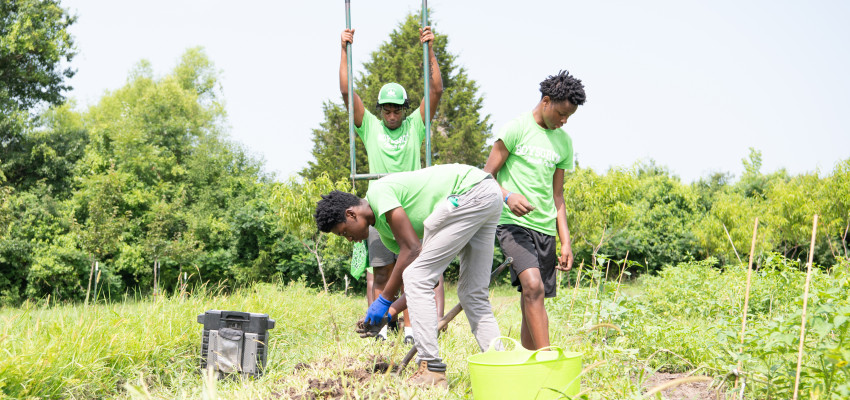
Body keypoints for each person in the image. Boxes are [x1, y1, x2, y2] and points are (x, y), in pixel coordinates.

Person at [315, 164, 503, 388]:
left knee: (417, 275)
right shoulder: (386, 234)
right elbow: (427, 280)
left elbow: (413, 250)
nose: (349, 239)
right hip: (486, 194)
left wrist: (384, 299)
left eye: (344, 231)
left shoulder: (378, 192)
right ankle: (501, 364)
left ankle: (431, 368)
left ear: (351, 214)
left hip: (470, 191)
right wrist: (391, 311)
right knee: (471, 292)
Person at [340, 26, 446, 342]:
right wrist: (344, 49)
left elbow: (436, 91)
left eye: (396, 108)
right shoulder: (370, 127)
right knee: (382, 271)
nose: (391, 113)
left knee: (418, 270)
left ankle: (416, 329)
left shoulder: (415, 126)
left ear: (403, 108)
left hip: (412, 207)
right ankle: (380, 328)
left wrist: (429, 49)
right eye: (386, 108)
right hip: (378, 206)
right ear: (380, 110)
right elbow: (347, 93)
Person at [483, 70, 586, 350]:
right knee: (533, 286)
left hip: (545, 229)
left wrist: (565, 241)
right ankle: (546, 359)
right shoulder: (516, 129)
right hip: (511, 224)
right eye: (561, 114)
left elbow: (558, 195)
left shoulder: (564, 142)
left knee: (533, 296)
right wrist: (507, 197)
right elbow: (485, 176)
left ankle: (529, 361)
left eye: (569, 117)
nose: (564, 121)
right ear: (546, 101)